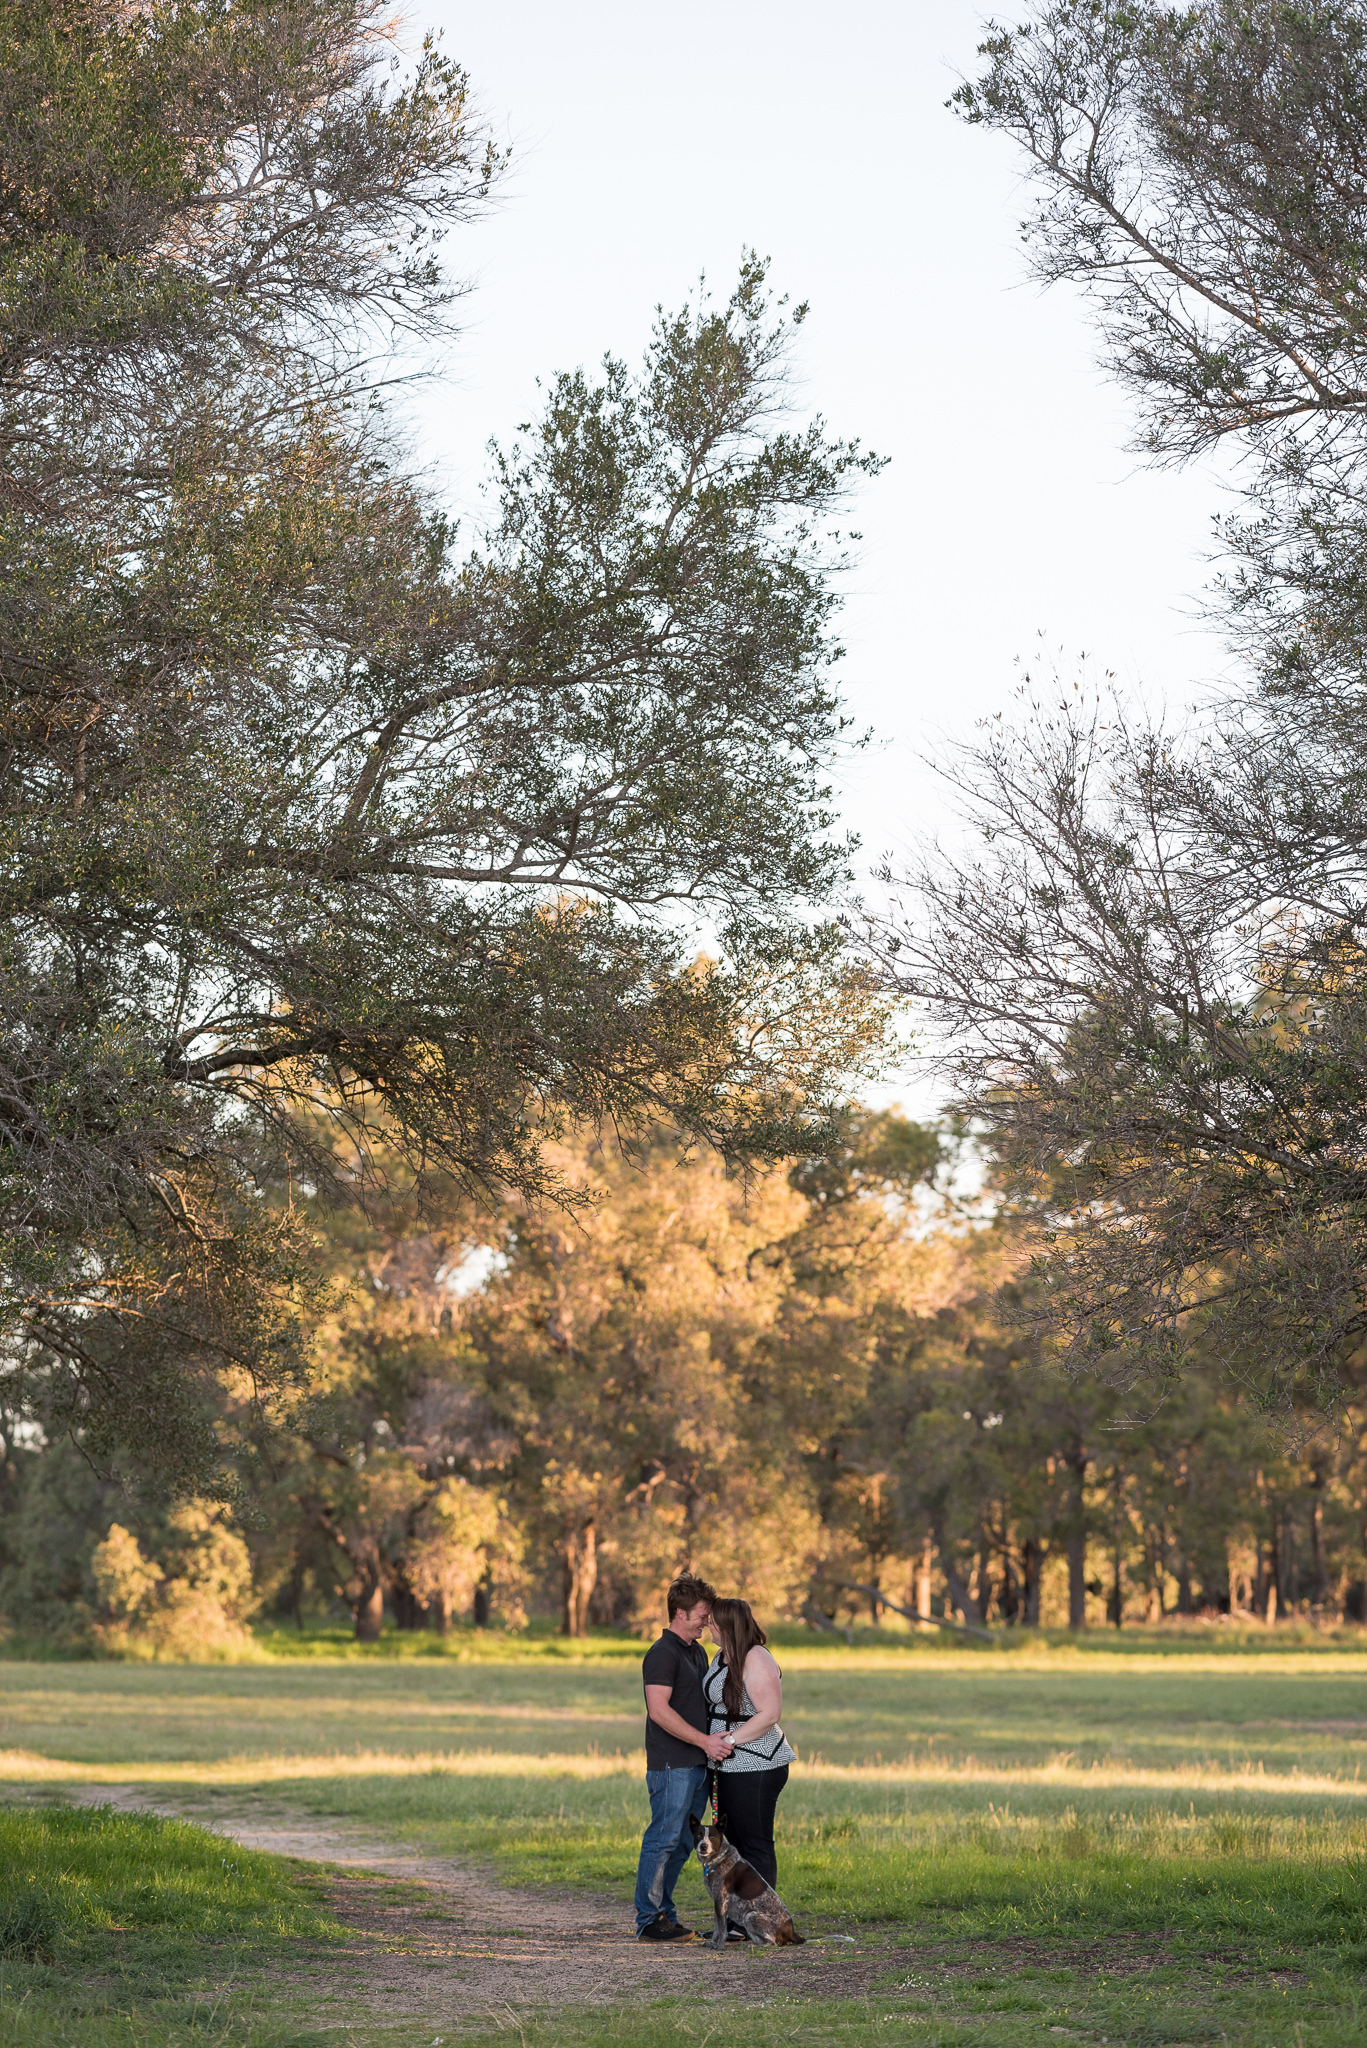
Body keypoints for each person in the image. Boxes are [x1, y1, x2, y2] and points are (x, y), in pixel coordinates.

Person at [634, 1572, 735, 1940]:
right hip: (671, 1764)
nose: (706, 1623)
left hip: (696, 1764)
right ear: (679, 1612)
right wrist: (705, 1742)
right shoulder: (662, 1654)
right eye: (701, 1615)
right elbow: (659, 1711)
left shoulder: (696, 1651)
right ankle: (648, 1920)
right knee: (662, 1839)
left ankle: (665, 1913)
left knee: (681, 1844)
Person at [703, 1595, 796, 1917]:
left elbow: (769, 1713)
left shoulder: (756, 1658)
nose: (707, 1626)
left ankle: (763, 1917)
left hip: (755, 1764)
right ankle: (740, 1919)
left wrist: (727, 1740)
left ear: (729, 1625)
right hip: (728, 1764)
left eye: (712, 1622)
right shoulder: (722, 1655)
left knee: (754, 1845)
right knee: (735, 1847)